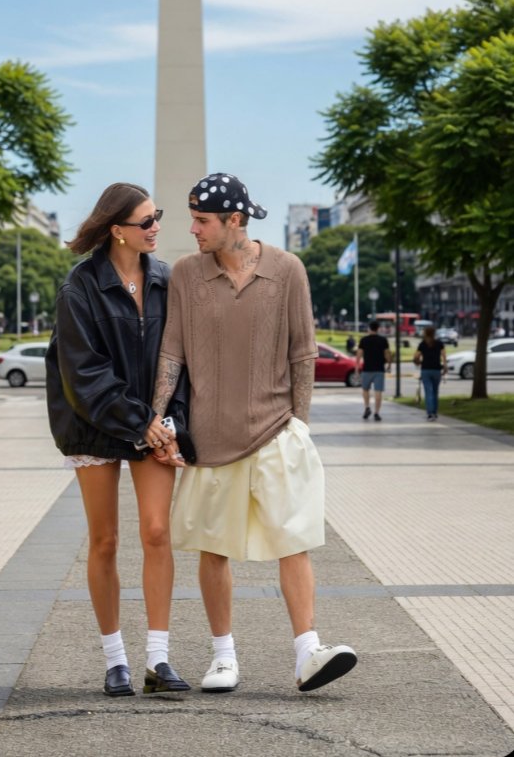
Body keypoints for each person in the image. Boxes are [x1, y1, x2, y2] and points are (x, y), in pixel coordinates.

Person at [151, 173, 357, 694]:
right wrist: (162, 422)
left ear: (234, 221)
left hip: (274, 432)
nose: (192, 229)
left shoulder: (288, 270)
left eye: (202, 221)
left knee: (294, 542)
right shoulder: (185, 275)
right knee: (212, 548)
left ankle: (308, 651)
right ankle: (223, 657)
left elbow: (303, 352)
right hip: (208, 439)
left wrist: (300, 425)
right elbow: (171, 353)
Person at [45, 183, 191, 698]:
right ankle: (115, 661)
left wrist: (170, 423)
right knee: (104, 539)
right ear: (117, 231)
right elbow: (83, 374)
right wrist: (138, 421)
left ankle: (159, 657)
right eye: (146, 221)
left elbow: (182, 361)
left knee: (156, 533)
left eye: (158, 217)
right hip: (95, 423)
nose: (156, 228)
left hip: (149, 424)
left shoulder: (168, 282)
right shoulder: (79, 288)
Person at [356, 320, 392, 421]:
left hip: (367, 369)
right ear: (378, 328)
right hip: (379, 369)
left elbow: (359, 354)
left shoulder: (364, 340)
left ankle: (367, 407)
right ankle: (376, 412)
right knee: (378, 391)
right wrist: (389, 365)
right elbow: (387, 353)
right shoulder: (383, 340)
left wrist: (356, 367)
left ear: (369, 328)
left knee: (365, 389)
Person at [413, 325, 447, 420]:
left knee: (428, 392)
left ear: (425, 333)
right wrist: (445, 366)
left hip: (426, 369)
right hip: (436, 370)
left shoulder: (422, 344)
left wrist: (419, 362)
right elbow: (444, 356)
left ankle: (430, 413)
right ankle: (435, 412)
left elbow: (416, 356)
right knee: (435, 392)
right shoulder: (439, 343)